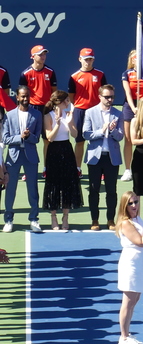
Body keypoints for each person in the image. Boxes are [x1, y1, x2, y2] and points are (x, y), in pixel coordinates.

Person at [115, 191, 143, 344]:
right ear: (124, 206)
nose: (134, 206)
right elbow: (141, 242)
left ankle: (126, 334)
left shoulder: (138, 219)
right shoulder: (126, 223)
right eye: (130, 203)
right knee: (127, 302)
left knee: (134, 301)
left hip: (140, 265)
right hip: (130, 266)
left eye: (136, 202)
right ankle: (123, 337)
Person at [84, 84, 124, 231]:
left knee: (111, 190)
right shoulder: (90, 112)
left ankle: (110, 220)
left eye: (112, 97)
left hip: (111, 157)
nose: (110, 99)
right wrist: (102, 131)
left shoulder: (118, 114)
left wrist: (112, 131)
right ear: (100, 97)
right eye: (107, 97)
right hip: (95, 157)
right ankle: (94, 220)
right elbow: (86, 134)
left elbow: (120, 136)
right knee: (94, 189)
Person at [2, 86, 42, 233]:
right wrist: (21, 137)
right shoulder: (9, 115)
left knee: (33, 189)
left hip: (30, 157)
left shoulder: (37, 115)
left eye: (27, 96)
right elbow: (6, 138)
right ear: (17, 97)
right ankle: (8, 219)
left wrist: (29, 136)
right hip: (13, 157)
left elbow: (37, 138)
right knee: (10, 189)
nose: (25, 99)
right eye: (22, 97)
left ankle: (34, 219)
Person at [42, 90, 83, 231]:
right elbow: (50, 138)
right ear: (58, 102)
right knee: (53, 185)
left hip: (67, 150)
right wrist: (58, 123)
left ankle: (65, 217)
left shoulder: (69, 114)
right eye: (66, 101)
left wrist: (70, 123)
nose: (68, 103)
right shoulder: (48, 116)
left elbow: (75, 134)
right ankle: (53, 217)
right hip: (54, 151)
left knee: (67, 184)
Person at [68, 47, 107, 174]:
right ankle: (77, 169)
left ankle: (101, 170)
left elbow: (105, 93)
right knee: (79, 141)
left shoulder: (100, 75)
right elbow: (71, 96)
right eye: (85, 59)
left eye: (90, 59)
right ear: (80, 59)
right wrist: (78, 106)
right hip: (80, 111)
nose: (88, 62)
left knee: (98, 140)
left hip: (96, 111)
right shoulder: (74, 77)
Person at [121, 50, 143, 182]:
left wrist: (142, 108)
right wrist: (134, 108)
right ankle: (128, 170)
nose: (138, 60)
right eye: (135, 58)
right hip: (130, 106)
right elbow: (128, 93)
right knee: (128, 139)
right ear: (132, 60)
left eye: (140, 58)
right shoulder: (126, 74)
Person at [20, 45, 57, 116]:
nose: (43, 57)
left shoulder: (50, 71)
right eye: (40, 55)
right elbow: (22, 92)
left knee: (47, 127)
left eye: (44, 54)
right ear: (33, 56)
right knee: (32, 127)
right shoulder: (25, 73)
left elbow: (54, 90)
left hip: (47, 106)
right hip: (32, 106)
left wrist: (53, 104)